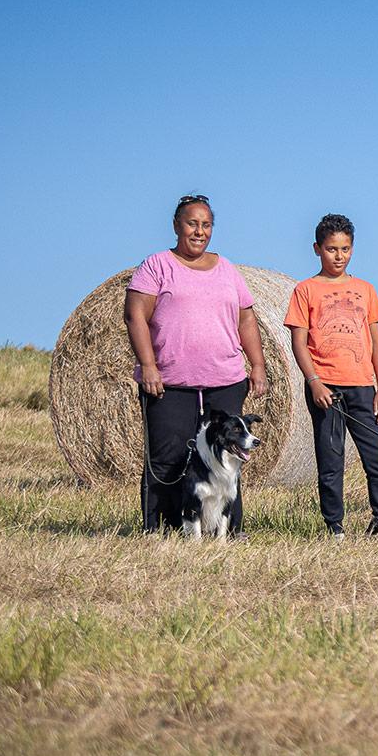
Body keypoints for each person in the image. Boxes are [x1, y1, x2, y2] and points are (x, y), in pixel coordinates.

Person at [124, 194, 268, 535]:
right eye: (192, 223)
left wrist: (258, 365)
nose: (199, 231)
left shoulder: (227, 269)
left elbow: (246, 319)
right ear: (176, 226)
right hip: (171, 381)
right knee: (167, 457)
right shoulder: (157, 266)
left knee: (228, 456)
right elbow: (134, 316)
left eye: (206, 225)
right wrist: (148, 365)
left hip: (225, 379)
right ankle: (157, 527)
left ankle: (230, 527)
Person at [285, 213, 378, 537]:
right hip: (326, 388)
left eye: (345, 249)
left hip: (362, 386)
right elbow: (298, 343)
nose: (339, 256)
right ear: (317, 249)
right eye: (332, 249)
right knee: (331, 462)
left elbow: (377, 342)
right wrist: (314, 381)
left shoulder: (365, 290)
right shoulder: (305, 290)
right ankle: (335, 527)